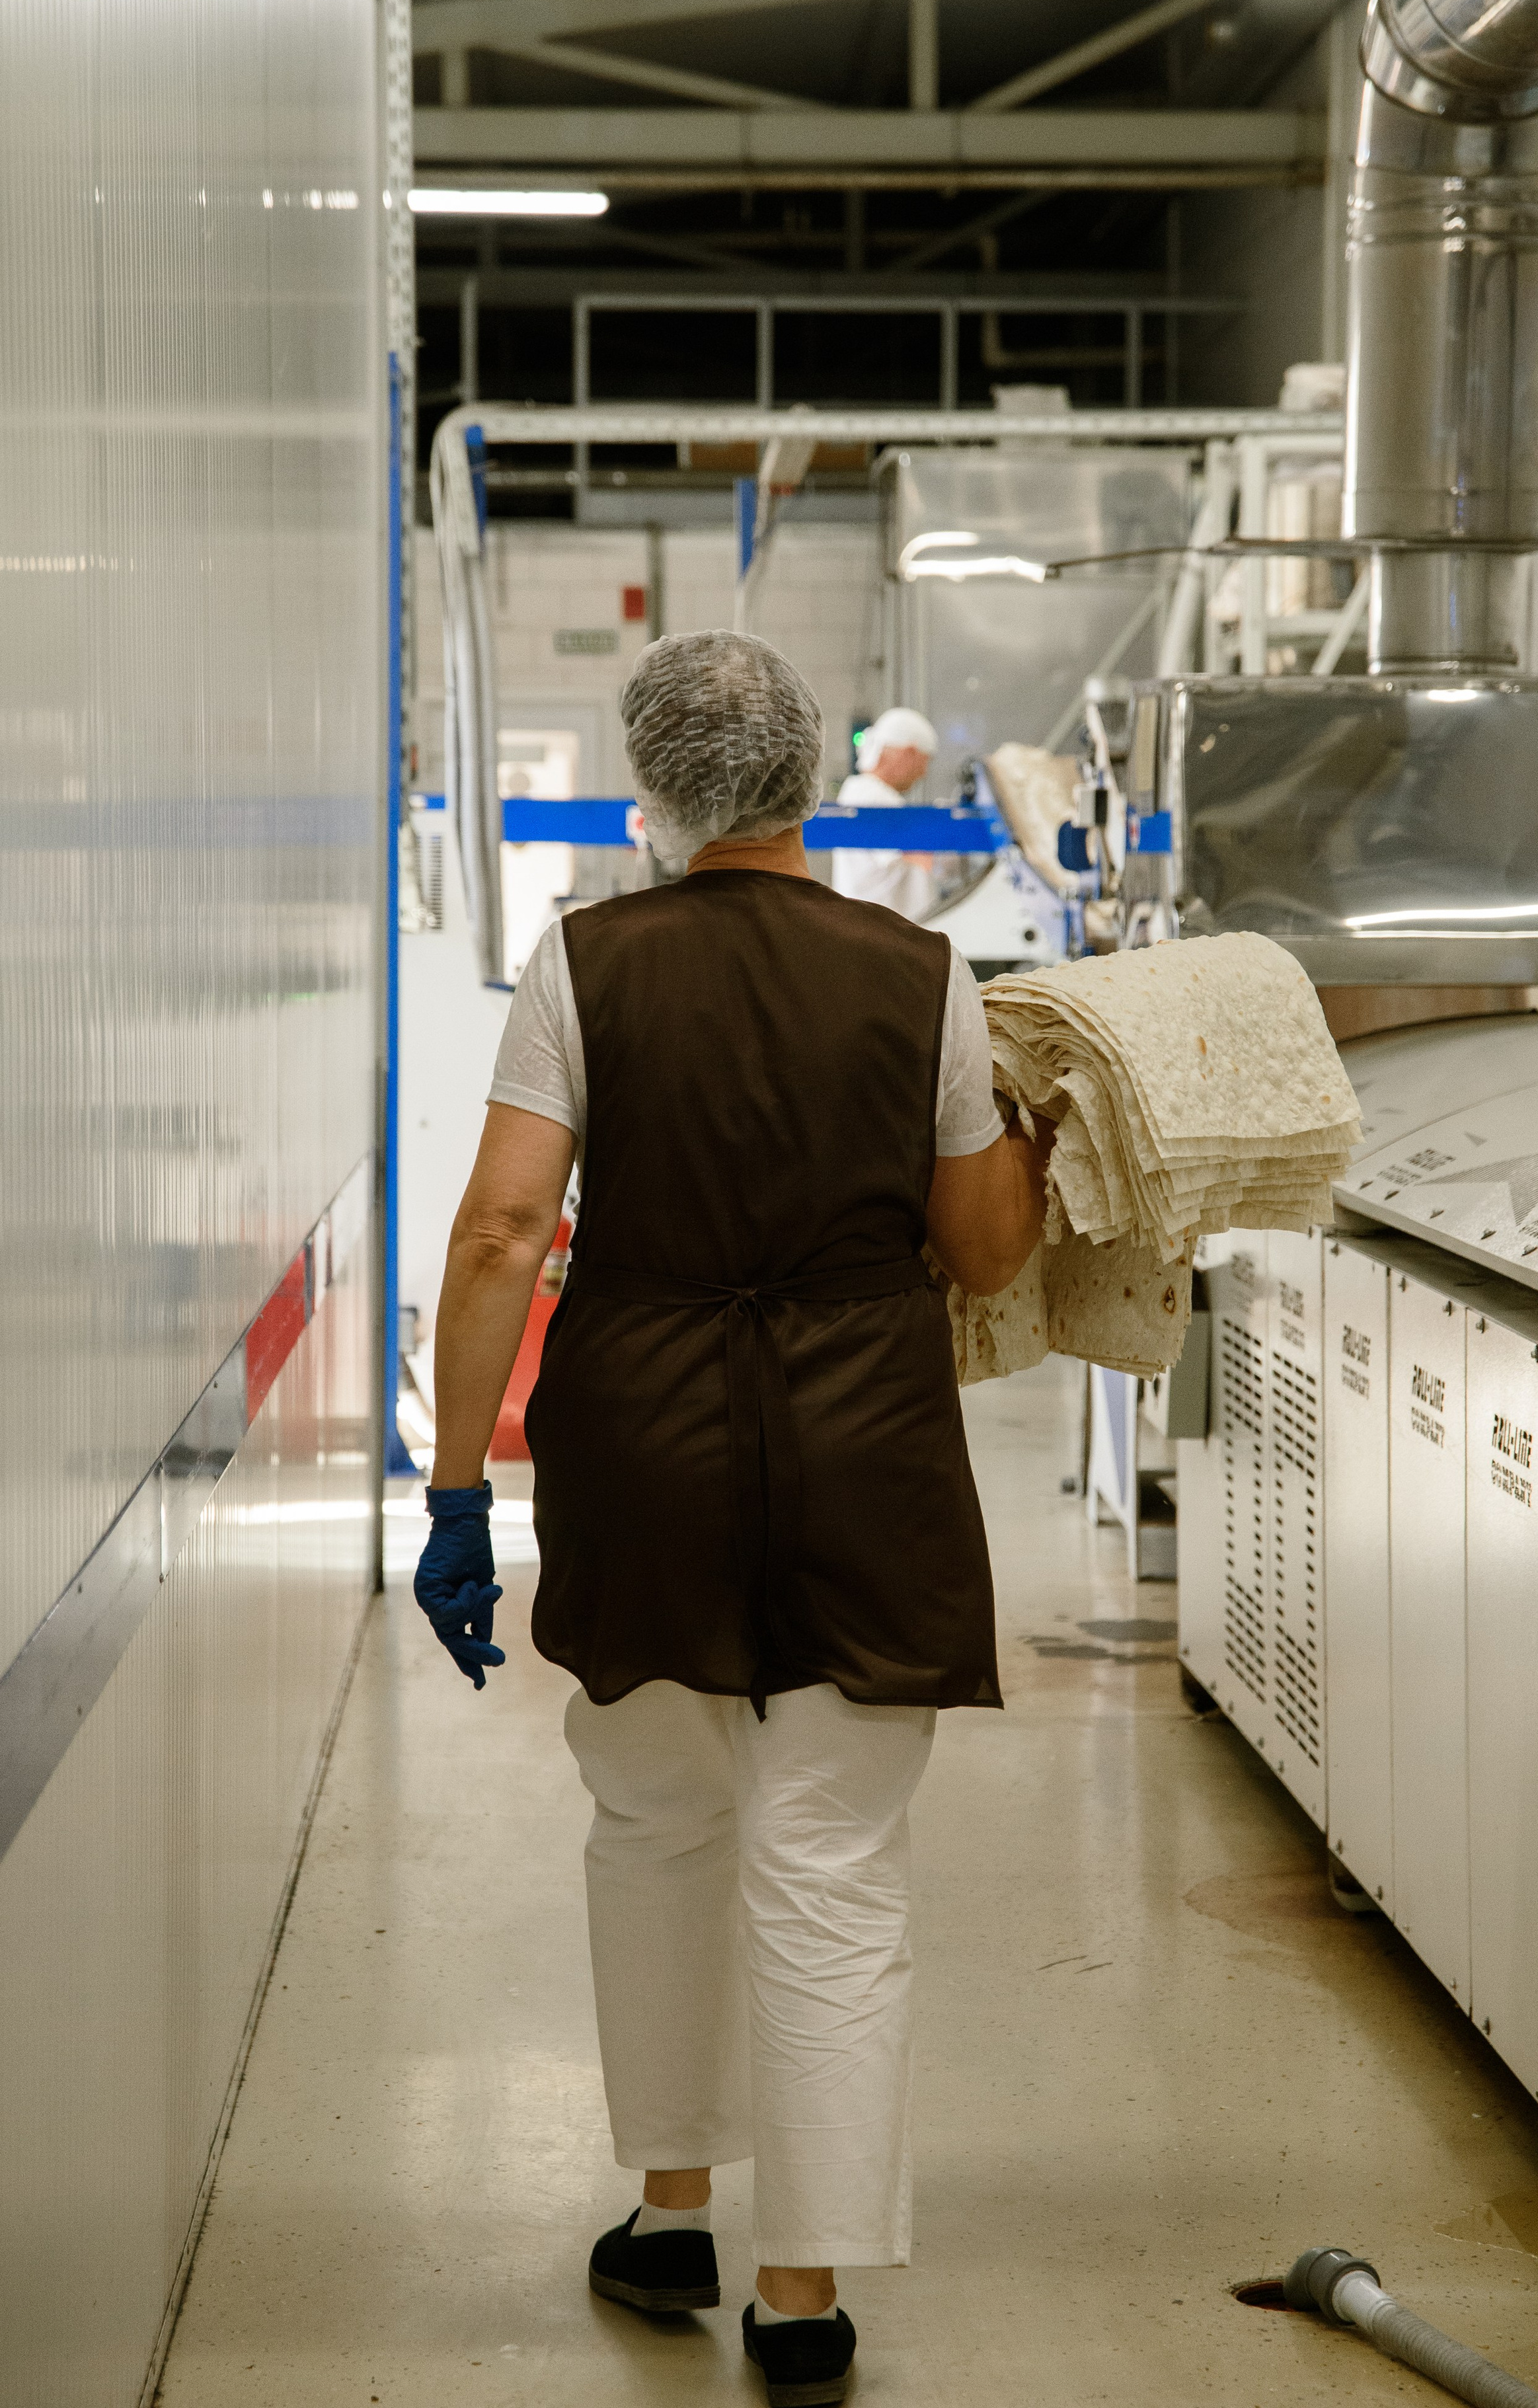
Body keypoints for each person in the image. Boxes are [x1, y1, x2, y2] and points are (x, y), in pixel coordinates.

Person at [413, 631, 1052, 2408]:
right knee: (834, 1866)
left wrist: (460, 1488)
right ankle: (802, 2298)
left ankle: (671, 2208)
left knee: (659, 1827)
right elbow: (989, 1250)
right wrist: (1030, 1129)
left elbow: (498, 1235)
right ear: (815, 778)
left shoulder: (585, 961)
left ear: (657, 790)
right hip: (868, 1450)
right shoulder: (924, 971)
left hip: (648, 1447)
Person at [831, 706, 939, 921]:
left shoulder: (864, 792)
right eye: (923, 762)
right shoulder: (871, 796)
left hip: (878, 931)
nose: (923, 773)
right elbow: (921, 859)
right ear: (909, 753)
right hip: (880, 934)